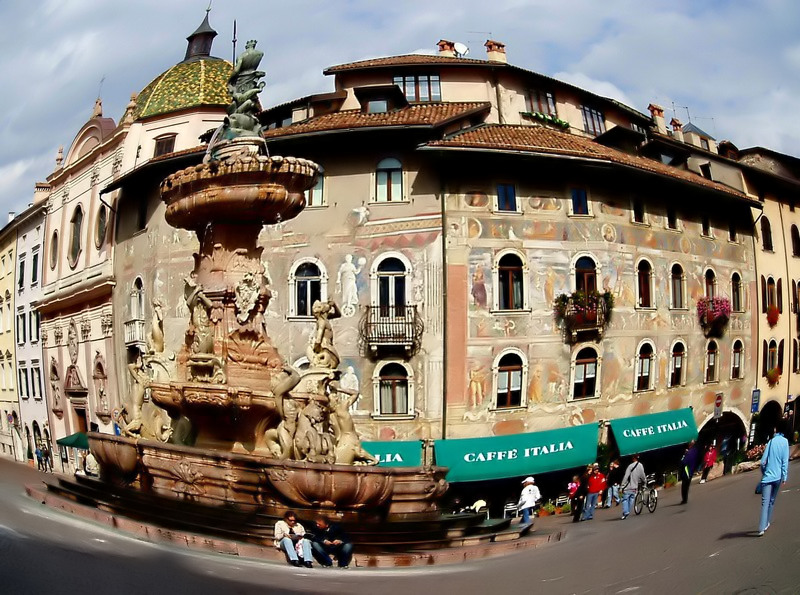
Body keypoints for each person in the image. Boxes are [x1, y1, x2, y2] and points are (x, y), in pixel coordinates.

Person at [756, 420, 790, 536]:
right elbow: (785, 461)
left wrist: (764, 472)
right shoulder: (785, 442)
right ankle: (767, 523)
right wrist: (784, 476)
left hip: (768, 477)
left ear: (777, 429)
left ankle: (761, 528)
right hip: (778, 477)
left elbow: (762, 462)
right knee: (772, 501)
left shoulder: (771, 442)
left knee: (764, 503)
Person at [620, 454, 646, 520]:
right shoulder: (641, 465)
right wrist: (645, 482)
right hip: (635, 487)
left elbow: (626, 476)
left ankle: (626, 512)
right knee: (631, 499)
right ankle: (627, 511)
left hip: (628, 486)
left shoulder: (630, 466)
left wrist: (622, 485)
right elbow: (643, 476)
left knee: (625, 499)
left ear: (633, 458)